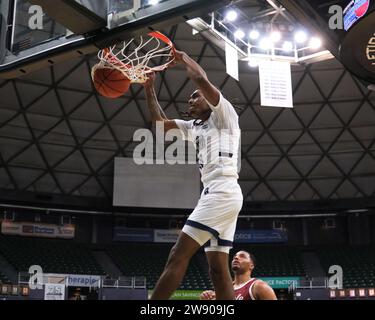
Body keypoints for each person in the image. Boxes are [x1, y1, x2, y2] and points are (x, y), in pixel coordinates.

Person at [143, 50, 243, 300]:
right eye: (189, 99)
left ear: (210, 100)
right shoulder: (195, 127)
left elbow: (200, 80)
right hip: (222, 195)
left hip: (221, 192)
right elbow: (159, 125)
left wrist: (184, 58)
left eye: (195, 97)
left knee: (178, 254)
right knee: (218, 270)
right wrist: (149, 87)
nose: (191, 101)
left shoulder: (225, 114)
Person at [200, 250, 277, 300]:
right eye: (234, 257)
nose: (236, 258)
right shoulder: (224, 289)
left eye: (242, 256)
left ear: (251, 265)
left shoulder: (259, 286)